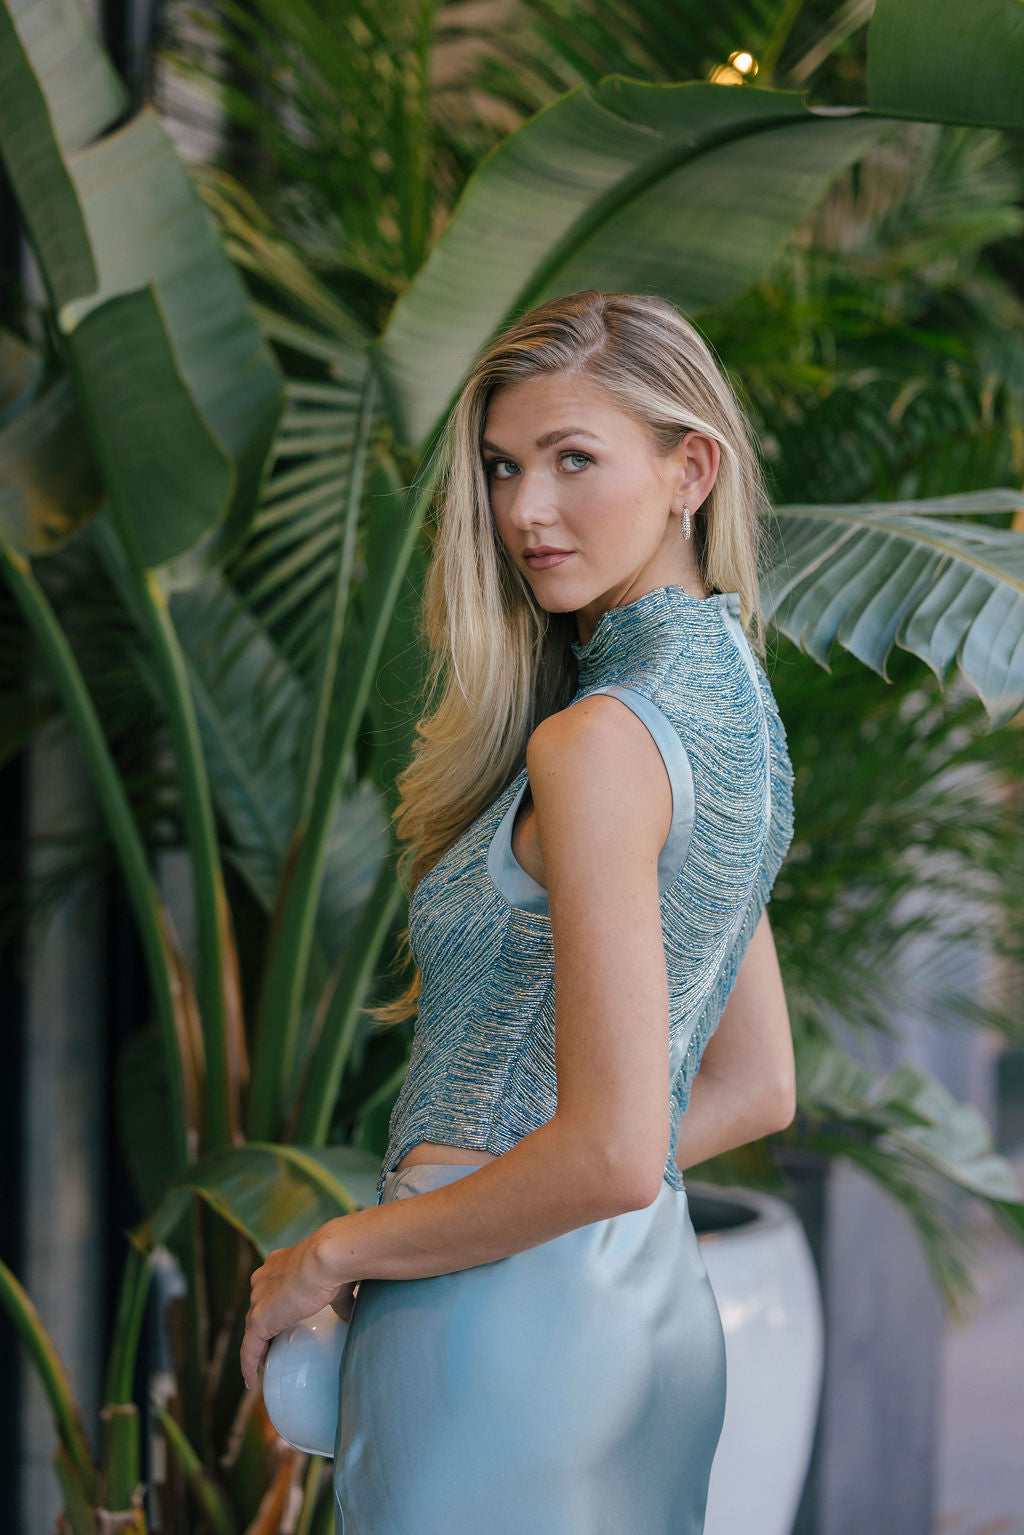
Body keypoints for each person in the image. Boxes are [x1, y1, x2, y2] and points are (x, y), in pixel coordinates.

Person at [241, 289, 796, 1534]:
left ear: (688, 467)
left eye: (572, 460)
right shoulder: (741, 722)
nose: (524, 510)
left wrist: (341, 1249)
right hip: (636, 1318)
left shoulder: (597, 742)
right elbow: (756, 1088)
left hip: (493, 1334)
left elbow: (605, 1149)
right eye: (502, 465)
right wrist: (538, 1197)